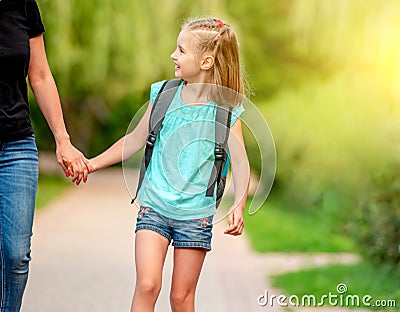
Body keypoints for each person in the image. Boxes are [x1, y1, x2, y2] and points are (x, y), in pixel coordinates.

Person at [79, 17, 250, 312]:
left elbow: (241, 162)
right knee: (147, 285)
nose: (174, 55)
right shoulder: (164, 94)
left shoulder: (226, 108)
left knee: (181, 299)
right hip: (154, 206)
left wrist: (239, 205)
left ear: (207, 61)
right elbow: (133, 139)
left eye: (181, 50)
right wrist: (93, 164)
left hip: (195, 216)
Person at [0, 1, 90, 311]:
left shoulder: (23, 5)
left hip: (16, 145)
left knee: (15, 254)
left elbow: (39, 75)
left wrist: (63, 141)